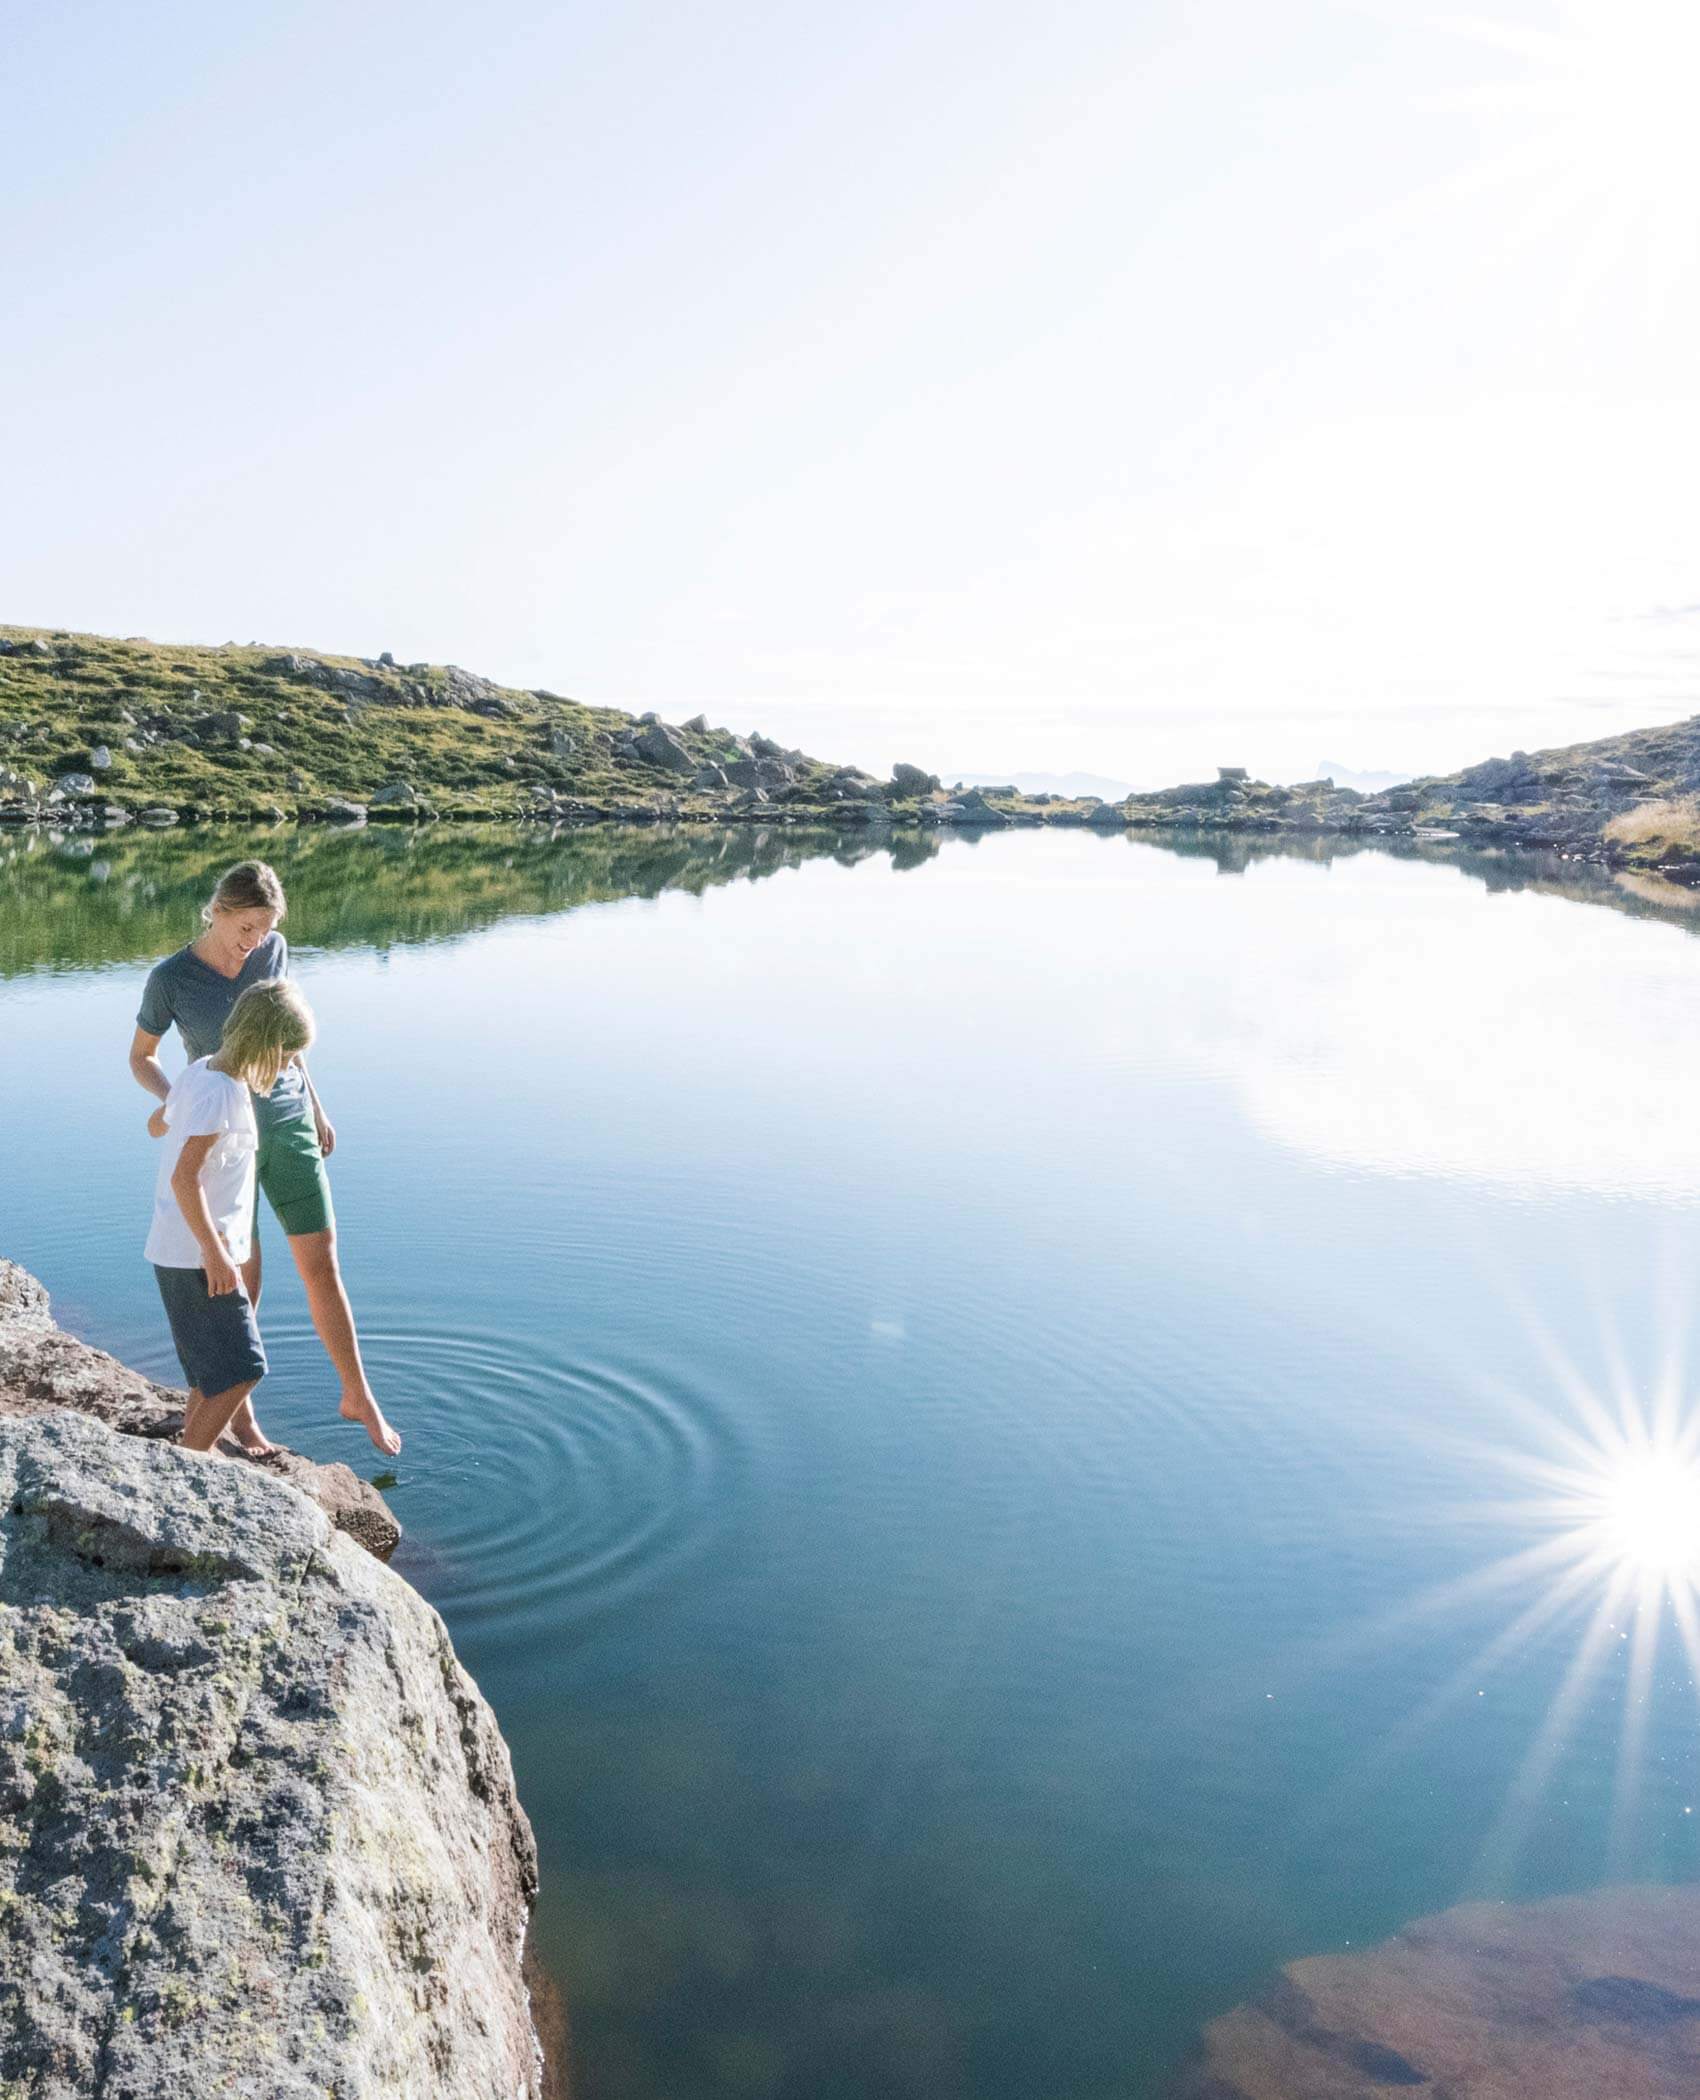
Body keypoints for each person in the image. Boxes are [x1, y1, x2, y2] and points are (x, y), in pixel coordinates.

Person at [129, 858, 402, 1457]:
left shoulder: (272, 952)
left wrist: (317, 1106)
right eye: (246, 927)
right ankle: (240, 1419)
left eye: (266, 928)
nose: (254, 941)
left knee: (322, 1262)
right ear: (217, 912)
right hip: (227, 1139)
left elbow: (286, 1033)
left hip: (289, 1120)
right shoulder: (172, 978)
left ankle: (357, 1394)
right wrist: (179, 1103)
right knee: (240, 1281)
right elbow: (141, 1057)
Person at [148, 980, 313, 1453]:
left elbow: (156, 1124)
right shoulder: (220, 1092)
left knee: (211, 1373)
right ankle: (189, 1462)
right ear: (263, 1045)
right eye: (285, 1058)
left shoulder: (202, 1071)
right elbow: (184, 1178)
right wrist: (216, 1254)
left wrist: (174, 1119)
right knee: (243, 1368)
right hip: (199, 1257)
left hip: (182, 1251)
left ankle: (189, 1451)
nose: (287, 1069)